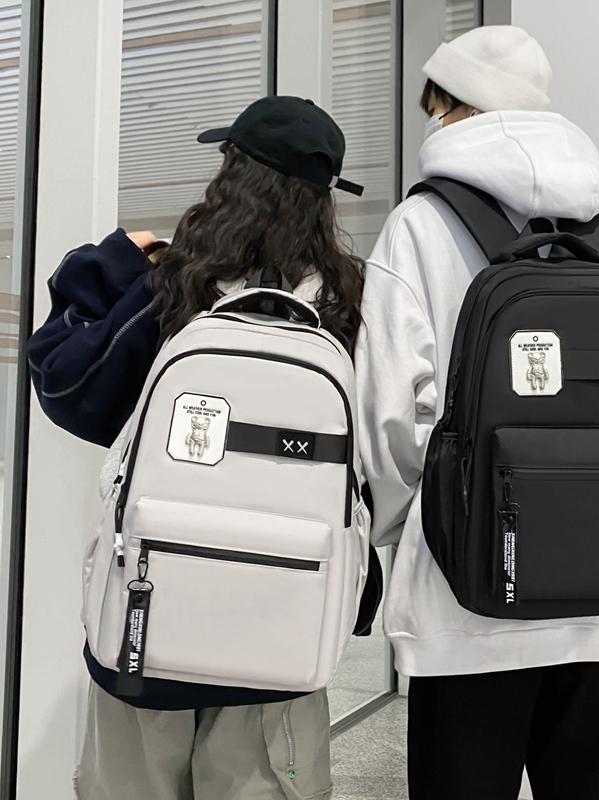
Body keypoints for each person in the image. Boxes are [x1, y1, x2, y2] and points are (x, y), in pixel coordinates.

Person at [355, 25, 599, 800]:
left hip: (465, 610)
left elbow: (389, 420)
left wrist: (423, 531)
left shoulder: (419, 226)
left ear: (454, 105)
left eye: (435, 104)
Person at [28, 96, 375, 800]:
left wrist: (108, 261)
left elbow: (66, 383)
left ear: (232, 177)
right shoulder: (349, 304)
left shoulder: (178, 285)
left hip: (149, 631)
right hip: (281, 636)